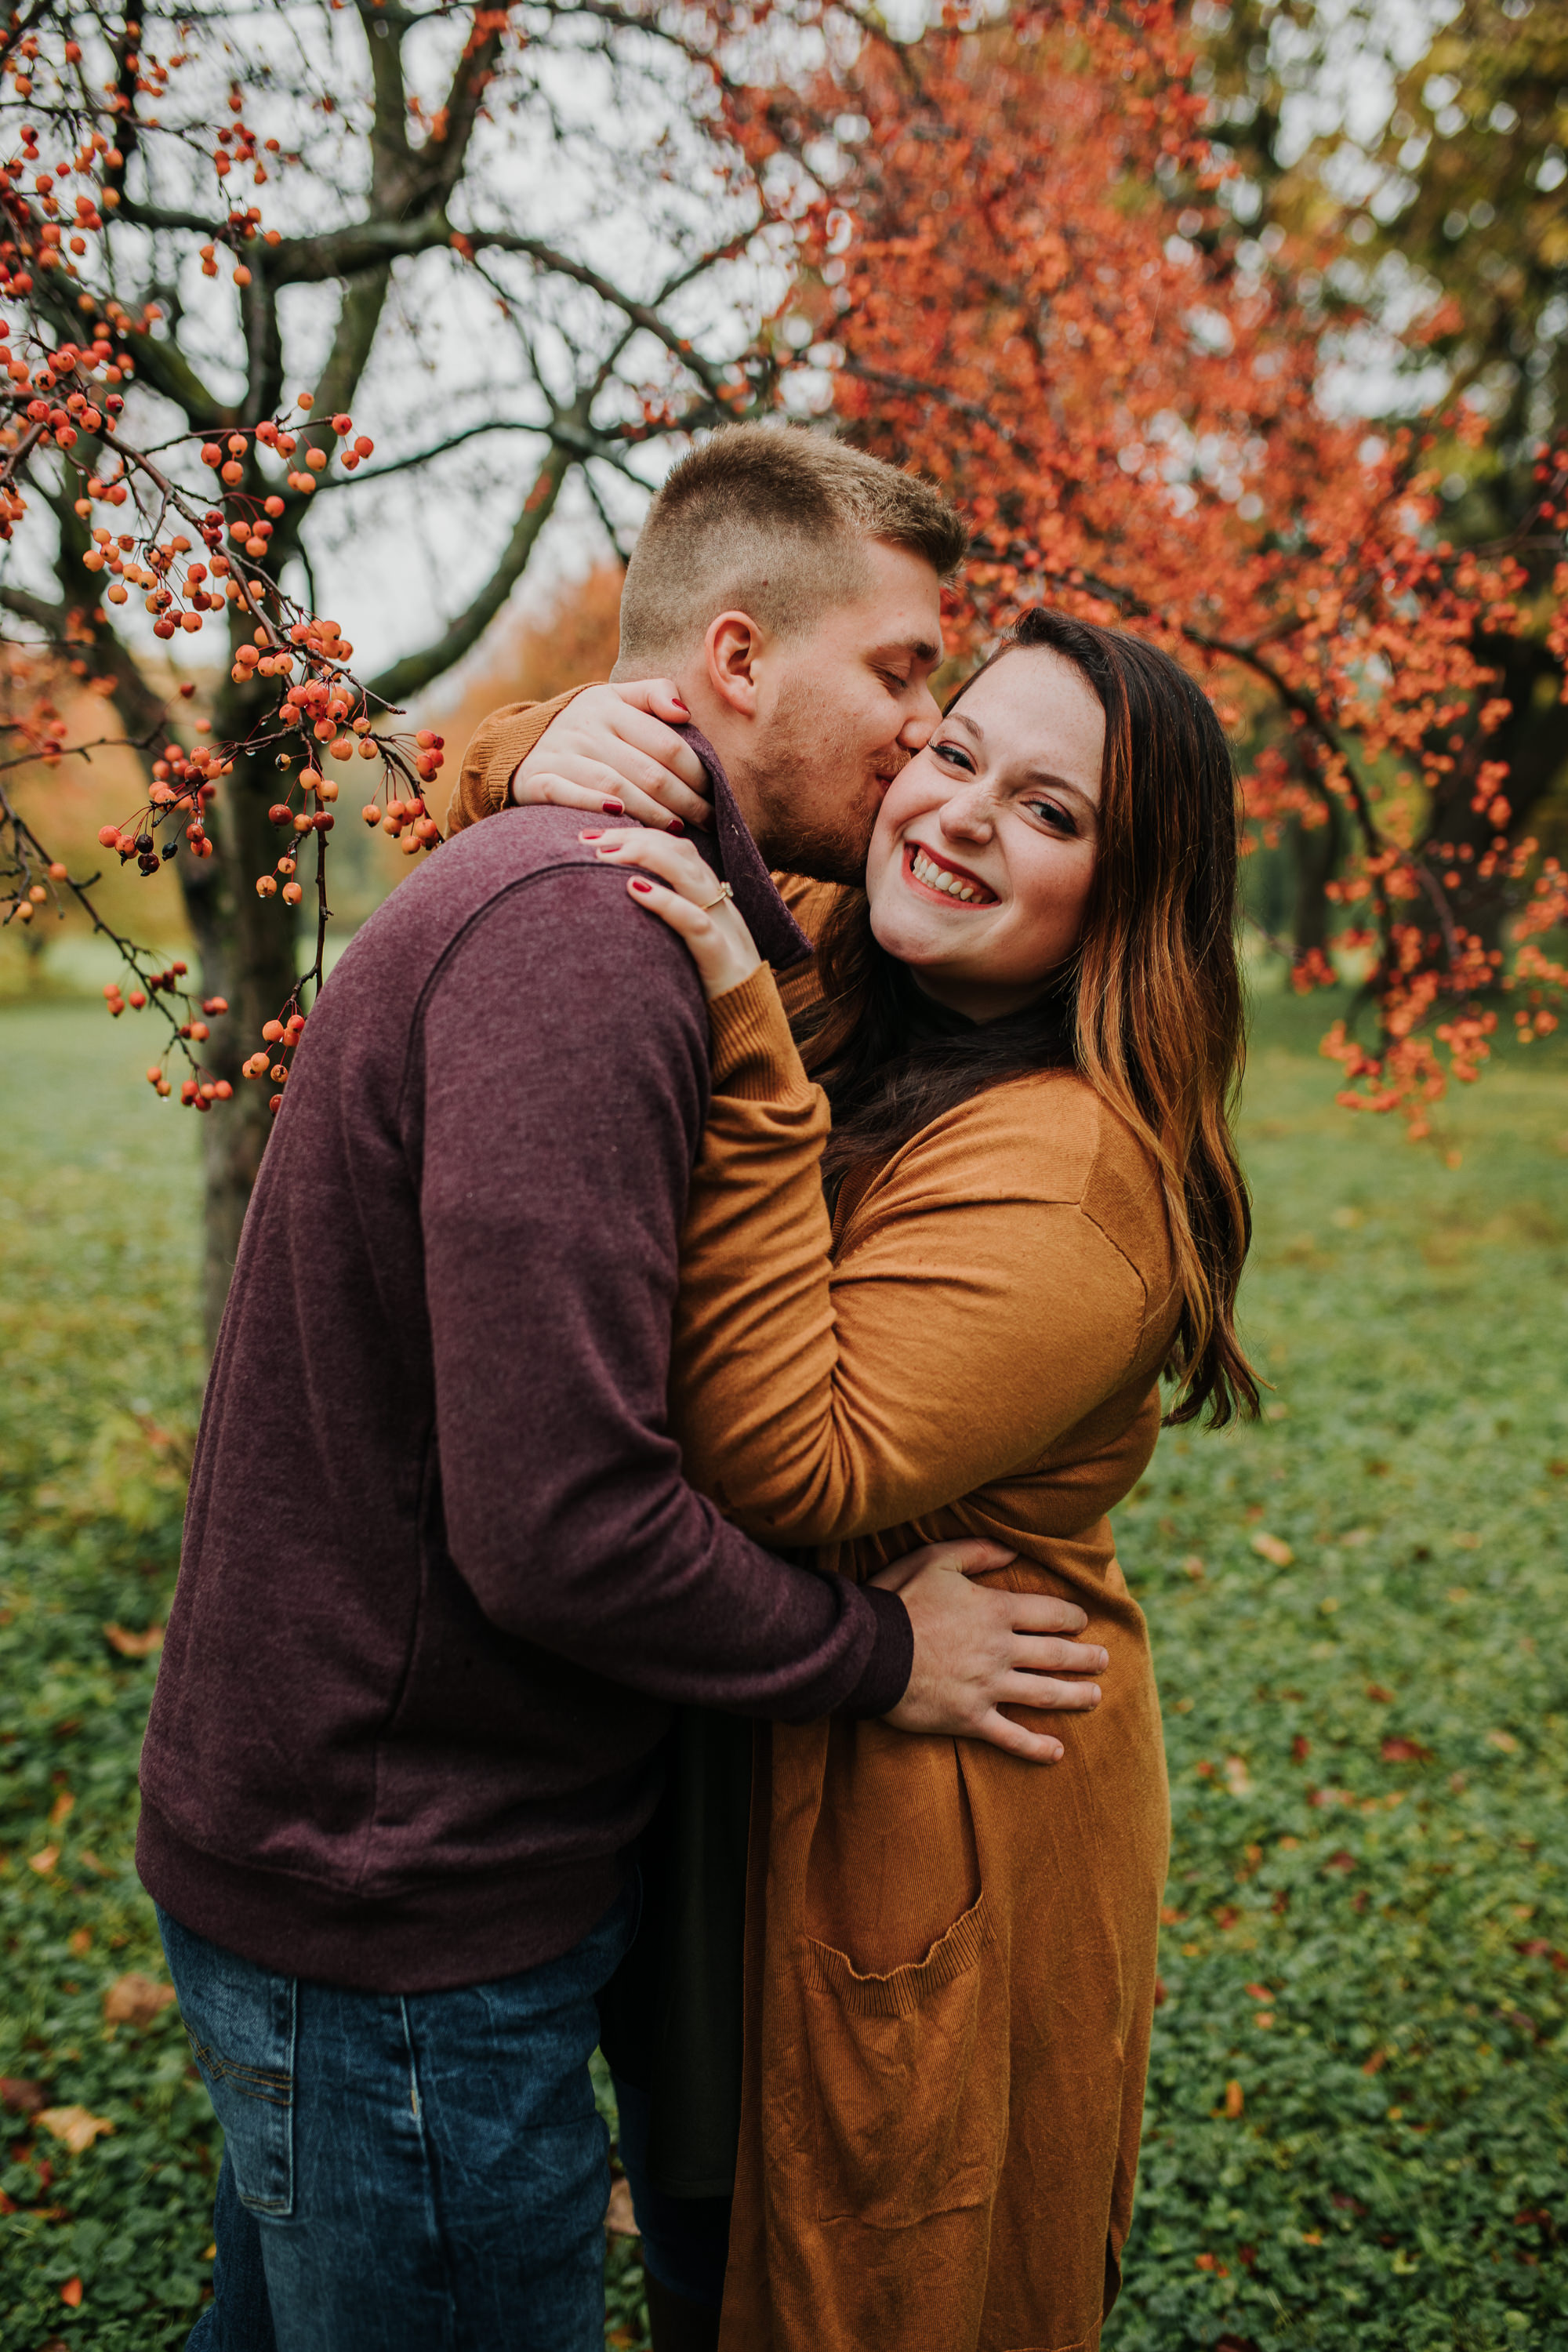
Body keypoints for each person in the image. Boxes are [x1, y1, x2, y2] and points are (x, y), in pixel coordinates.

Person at [136, 427, 1108, 2352]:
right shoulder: (597, 942)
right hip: (402, 1899)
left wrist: (528, 741)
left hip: (412, 1859)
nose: (925, 746)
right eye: (910, 682)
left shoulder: (711, 916)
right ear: (738, 667)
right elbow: (566, 1530)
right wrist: (877, 1654)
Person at [462, 601, 1258, 2350]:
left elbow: (792, 1463)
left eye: (1051, 813)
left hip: (930, 1787)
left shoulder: (1073, 1176)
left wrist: (746, 1047)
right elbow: (654, 761)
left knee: (853, 2264)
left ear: (1126, 901)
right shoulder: (849, 955)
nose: (963, 812)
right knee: (705, 2219)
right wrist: (531, 747)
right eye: (956, 751)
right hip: (749, 1730)